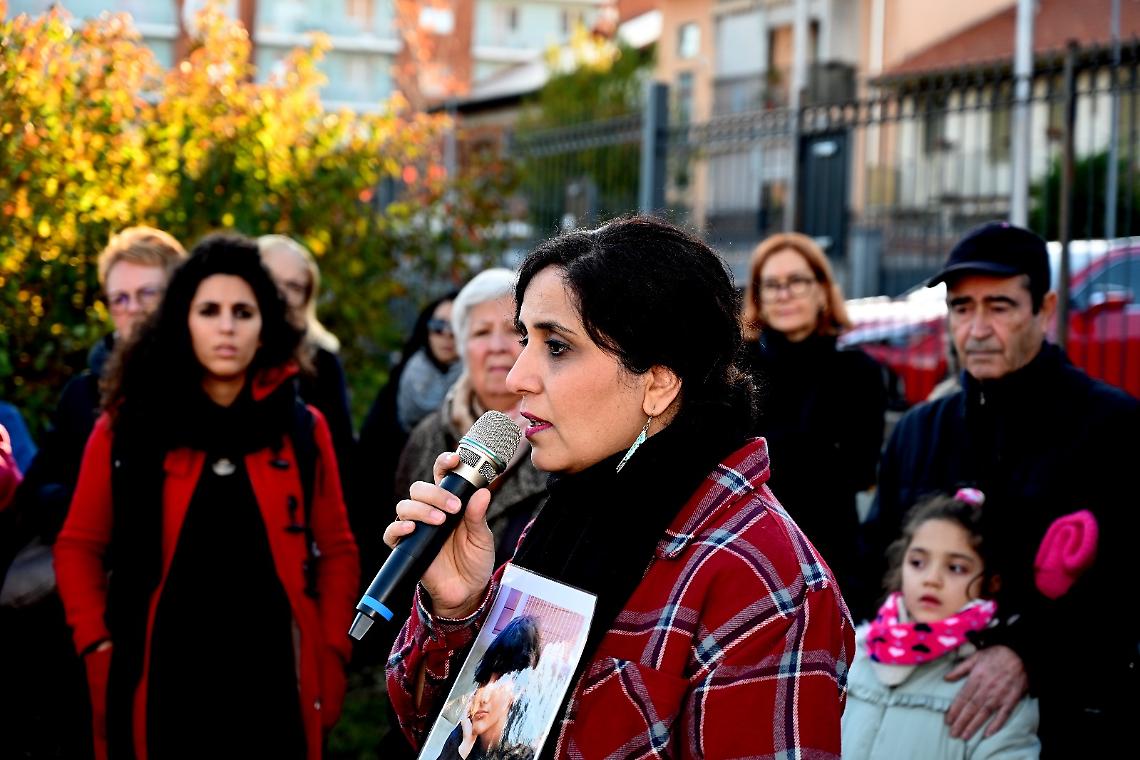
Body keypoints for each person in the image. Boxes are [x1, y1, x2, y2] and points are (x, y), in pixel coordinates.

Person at [385, 216, 853, 758]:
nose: (517, 376)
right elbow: (444, 736)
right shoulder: (574, 513)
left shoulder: (761, 578)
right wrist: (458, 611)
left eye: (557, 347)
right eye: (524, 340)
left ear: (656, 383)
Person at [54, 233, 360, 760]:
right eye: (209, 310)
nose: (226, 326)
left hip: (271, 690)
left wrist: (331, 654)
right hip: (158, 684)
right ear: (182, 322)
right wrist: (98, 648)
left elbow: (337, 550)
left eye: (243, 311)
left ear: (264, 327)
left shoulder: (302, 429)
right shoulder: (124, 427)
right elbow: (77, 545)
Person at [863, 222, 1140, 758]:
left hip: (1064, 719)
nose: (978, 329)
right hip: (916, 720)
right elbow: (872, 565)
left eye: (1000, 306)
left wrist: (1027, 654)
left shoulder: (1113, 427)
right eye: (962, 308)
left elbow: (1127, 584)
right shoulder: (919, 432)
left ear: (1045, 309)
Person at [0, 226, 185, 760]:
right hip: (94, 599)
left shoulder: (215, 386)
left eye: (147, 294)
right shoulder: (84, 394)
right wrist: (97, 512)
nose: (132, 310)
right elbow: (37, 492)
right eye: (119, 299)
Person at [741, 233, 886, 621]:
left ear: (822, 290)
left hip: (828, 551)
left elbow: (859, 469)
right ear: (758, 296)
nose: (784, 293)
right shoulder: (736, 370)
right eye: (772, 284)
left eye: (797, 281)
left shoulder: (859, 373)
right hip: (746, 551)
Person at [842, 489, 1040, 759]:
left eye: (956, 568)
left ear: (990, 583)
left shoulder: (995, 684)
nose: (931, 579)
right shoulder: (853, 654)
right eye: (918, 562)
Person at [394, 269, 545, 568]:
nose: (497, 346)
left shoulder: (563, 437)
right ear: (462, 348)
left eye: (514, 331)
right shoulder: (427, 437)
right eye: (481, 332)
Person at [258, 234, 356, 498]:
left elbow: (341, 458)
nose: (282, 294)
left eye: (294, 286)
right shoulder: (218, 354)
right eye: (271, 280)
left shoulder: (321, 361)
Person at [435, 615, 541, 760]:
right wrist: (463, 749)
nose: (483, 697)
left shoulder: (523, 754)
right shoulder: (463, 734)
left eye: (499, 680)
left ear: (519, 690)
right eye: (484, 681)